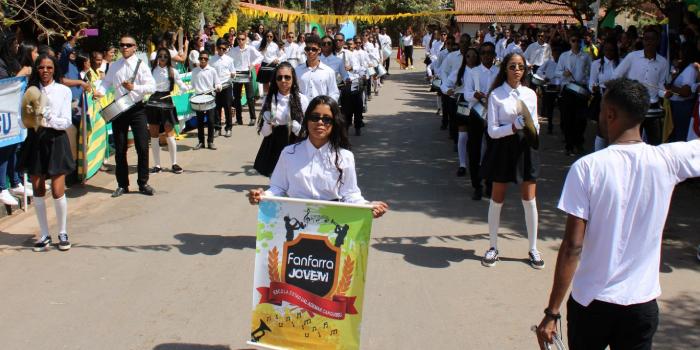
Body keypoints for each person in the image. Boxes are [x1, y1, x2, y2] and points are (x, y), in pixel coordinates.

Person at [535, 77, 700, 350]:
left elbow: (573, 246)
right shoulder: (668, 160)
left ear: (609, 114)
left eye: (601, 109)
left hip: (591, 303)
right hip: (641, 304)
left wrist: (552, 312)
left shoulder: (587, 168)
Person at [248, 95, 389, 219]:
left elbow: (350, 194)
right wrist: (262, 196)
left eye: (327, 119)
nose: (320, 122)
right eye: (315, 117)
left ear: (334, 124)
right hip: (294, 221)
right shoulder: (289, 153)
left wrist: (368, 206)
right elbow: (277, 188)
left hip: (331, 224)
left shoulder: (345, 157)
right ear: (307, 120)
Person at [480, 52, 544, 269]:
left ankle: (533, 248)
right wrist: (513, 127)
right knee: (497, 199)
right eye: (512, 66)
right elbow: (492, 131)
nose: (517, 70)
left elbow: (535, 123)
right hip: (503, 148)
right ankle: (492, 247)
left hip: (525, 148)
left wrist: (532, 129)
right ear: (505, 69)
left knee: (529, 200)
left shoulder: (530, 94)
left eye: (520, 67)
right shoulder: (496, 95)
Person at [18, 54, 75, 251]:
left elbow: (66, 121)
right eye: (41, 67)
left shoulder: (63, 91)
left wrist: (47, 115)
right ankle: (44, 234)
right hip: (35, 140)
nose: (45, 71)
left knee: (58, 190)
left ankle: (62, 232)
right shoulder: (30, 91)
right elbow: (22, 120)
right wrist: (31, 117)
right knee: (38, 189)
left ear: (54, 69)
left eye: (49, 67)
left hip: (56, 140)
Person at [96, 34, 156, 198]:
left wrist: (134, 87)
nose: (124, 48)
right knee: (120, 149)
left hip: (137, 108)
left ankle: (143, 182)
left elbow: (152, 86)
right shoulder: (114, 65)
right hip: (119, 109)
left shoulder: (141, 65)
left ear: (135, 47)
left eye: (128, 45)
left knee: (142, 146)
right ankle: (122, 184)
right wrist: (100, 92)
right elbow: (106, 82)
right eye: (122, 45)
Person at [613, 26, 670, 146]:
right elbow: (616, 75)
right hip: (633, 104)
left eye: (652, 39)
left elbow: (659, 85)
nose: (649, 42)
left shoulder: (663, 62)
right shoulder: (632, 57)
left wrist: (665, 93)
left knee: (655, 143)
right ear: (642, 41)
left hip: (652, 106)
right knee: (631, 142)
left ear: (658, 41)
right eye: (646, 39)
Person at [253, 63, 310, 177]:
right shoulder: (269, 99)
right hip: (274, 144)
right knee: (275, 178)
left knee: (294, 177)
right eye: (279, 77)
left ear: (293, 79)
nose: (283, 80)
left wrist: (297, 128)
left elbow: (306, 131)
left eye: (287, 77)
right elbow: (265, 133)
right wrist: (268, 122)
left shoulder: (302, 100)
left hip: (294, 143)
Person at [463, 42, 498, 200]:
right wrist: (475, 96)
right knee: (474, 150)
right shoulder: (473, 72)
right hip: (476, 113)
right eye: (483, 52)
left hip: (494, 114)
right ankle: (476, 185)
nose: (486, 55)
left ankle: (490, 183)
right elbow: (466, 93)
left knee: (492, 150)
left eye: (489, 52)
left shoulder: (499, 72)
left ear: (494, 55)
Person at [147, 48, 188, 174]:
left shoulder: (173, 71)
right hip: (153, 100)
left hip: (167, 100)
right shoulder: (151, 71)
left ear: (168, 58)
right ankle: (157, 165)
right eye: (160, 56)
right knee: (154, 135)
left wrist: (182, 89)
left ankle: (174, 163)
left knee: (169, 134)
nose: (163, 58)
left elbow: (182, 86)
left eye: (165, 56)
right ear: (157, 57)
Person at [444, 45, 480, 177]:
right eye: (469, 56)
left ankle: (479, 163)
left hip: (478, 106)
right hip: (463, 105)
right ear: (465, 58)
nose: (472, 58)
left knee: (478, 137)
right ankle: (462, 164)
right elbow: (446, 84)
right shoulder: (460, 71)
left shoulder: (481, 71)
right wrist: (447, 90)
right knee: (463, 136)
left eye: (475, 56)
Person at [556, 32, 591, 156]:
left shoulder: (586, 56)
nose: (575, 43)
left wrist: (587, 85)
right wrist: (563, 74)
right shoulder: (564, 56)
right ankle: (569, 145)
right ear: (569, 42)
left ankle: (578, 142)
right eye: (573, 40)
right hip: (568, 89)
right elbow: (557, 71)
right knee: (567, 118)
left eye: (577, 40)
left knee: (581, 119)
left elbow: (590, 73)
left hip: (581, 89)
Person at [588, 38, 620, 151]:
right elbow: (591, 82)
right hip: (602, 99)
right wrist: (594, 88)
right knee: (601, 130)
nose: (609, 53)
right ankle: (598, 154)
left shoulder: (620, 63)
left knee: (616, 129)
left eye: (612, 50)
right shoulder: (596, 64)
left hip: (618, 100)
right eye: (607, 50)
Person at [228, 32, 263, 126]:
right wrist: (232, 70)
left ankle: (253, 118)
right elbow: (228, 61)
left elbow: (260, 56)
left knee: (250, 97)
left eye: (243, 39)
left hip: (247, 75)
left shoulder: (250, 48)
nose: (241, 41)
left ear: (246, 39)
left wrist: (253, 64)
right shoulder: (233, 50)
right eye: (239, 39)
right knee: (237, 98)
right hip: (237, 75)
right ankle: (239, 119)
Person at [667, 41, 698, 142]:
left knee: (681, 136)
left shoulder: (690, 69)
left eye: (681, 50)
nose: (679, 52)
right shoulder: (685, 67)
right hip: (677, 106)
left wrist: (671, 87)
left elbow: (686, 92)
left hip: (682, 108)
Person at [190, 50, 221, 150]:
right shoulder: (195, 71)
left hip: (209, 96)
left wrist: (218, 87)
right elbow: (192, 85)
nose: (203, 60)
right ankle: (201, 142)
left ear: (208, 60)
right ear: (199, 59)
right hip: (198, 97)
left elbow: (217, 83)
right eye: (201, 58)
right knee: (200, 121)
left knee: (211, 121)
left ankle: (210, 142)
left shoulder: (212, 70)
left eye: (205, 59)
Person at [295, 35, 340, 102]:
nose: (310, 51)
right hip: (302, 110)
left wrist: (327, 107)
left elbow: (334, 93)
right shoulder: (297, 70)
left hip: (321, 110)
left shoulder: (329, 72)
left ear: (319, 50)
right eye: (308, 49)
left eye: (314, 49)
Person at [210, 38, 236, 136]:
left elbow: (233, 71)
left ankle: (228, 128)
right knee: (216, 108)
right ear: (216, 48)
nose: (221, 50)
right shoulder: (212, 60)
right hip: (216, 87)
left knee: (227, 107)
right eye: (220, 48)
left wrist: (233, 74)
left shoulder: (229, 60)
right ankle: (217, 128)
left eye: (224, 49)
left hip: (226, 86)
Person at [536, 45, 562, 135]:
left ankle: (563, 128)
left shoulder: (562, 63)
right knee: (550, 108)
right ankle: (550, 127)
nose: (556, 55)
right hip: (550, 86)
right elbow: (539, 71)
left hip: (560, 87)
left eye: (558, 53)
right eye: (555, 53)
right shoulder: (548, 62)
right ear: (552, 54)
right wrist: (544, 77)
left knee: (562, 109)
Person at [258, 30, 285, 98]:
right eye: (267, 36)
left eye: (271, 36)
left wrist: (278, 59)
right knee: (265, 84)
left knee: (274, 83)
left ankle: (274, 98)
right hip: (264, 65)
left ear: (273, 37)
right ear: (265, 37)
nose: (269, 38)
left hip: (273, 65)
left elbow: (284, 55)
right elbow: (258, 55)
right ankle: (265, 99)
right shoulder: (262, 44)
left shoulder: (276, 45)